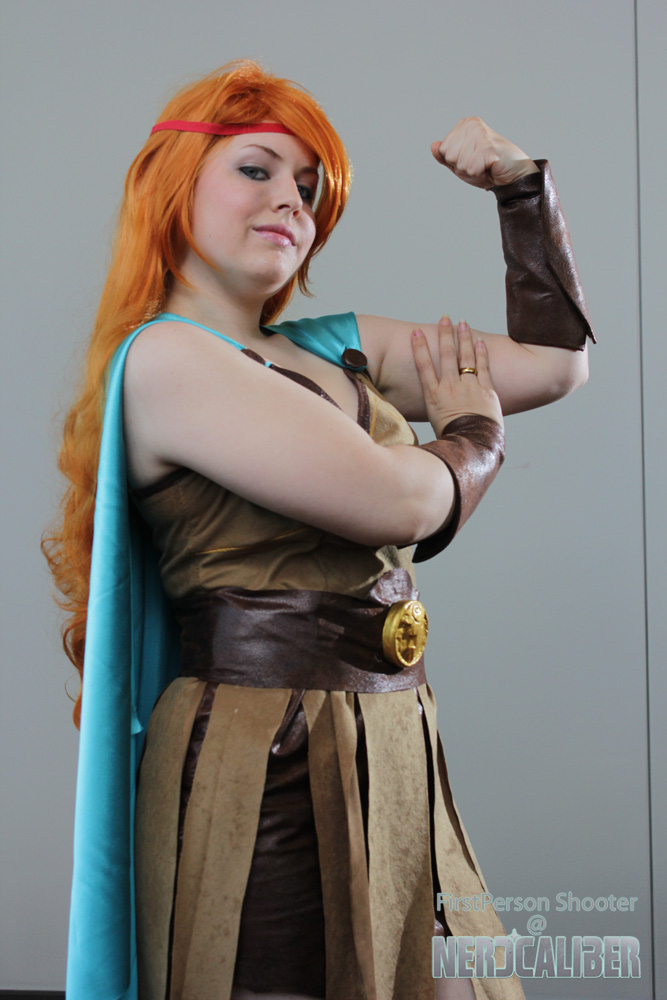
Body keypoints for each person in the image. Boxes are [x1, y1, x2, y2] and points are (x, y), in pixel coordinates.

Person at [43, 60, 594, 1000]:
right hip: (255, 756)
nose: (289, 201)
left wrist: (520, 195)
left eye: (307, 186)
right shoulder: (169, 360)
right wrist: (473, 432)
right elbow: (402, 503)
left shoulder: (334, 346)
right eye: (255, 169)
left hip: (390, 734)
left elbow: (552, 363)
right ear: (173, 188)